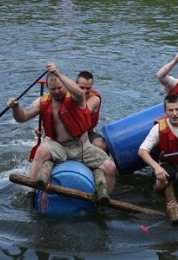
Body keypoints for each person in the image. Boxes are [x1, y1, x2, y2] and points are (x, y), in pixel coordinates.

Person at [7, 63, 116, 209]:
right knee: (41, 151)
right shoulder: (43, 101)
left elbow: (78, 92)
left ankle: (102, 203)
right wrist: (15, 108)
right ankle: (31, 195)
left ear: (64, 85)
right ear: (48, 88)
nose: (57, 91)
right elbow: (22, 118)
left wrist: (57, 73)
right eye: (53, 89)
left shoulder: (77, 97)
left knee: (110, 167)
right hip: (58, 146)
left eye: (60, 88)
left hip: (82, 146)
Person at [76, 70, 109, 153]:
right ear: (75, 85)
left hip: (87, 133)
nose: (84, 91)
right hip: (66, 134)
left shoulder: (95, 98)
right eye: (81, 87)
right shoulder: (67, 94)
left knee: (102, 145)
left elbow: (83, 114)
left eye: (88, 88)